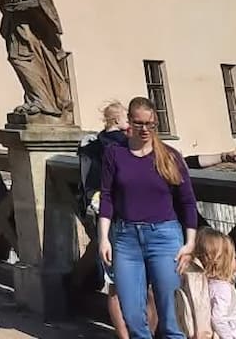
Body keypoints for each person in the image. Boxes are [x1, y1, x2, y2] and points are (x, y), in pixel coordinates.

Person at [100, 96, 198, 339]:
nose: (145, 129)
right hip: (126, 239)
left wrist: (190, 244)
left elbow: (187, 201)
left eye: (150, 124)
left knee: (172, 315)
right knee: (133, 315)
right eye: (139, 123)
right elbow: (107, 197)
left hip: (165, 237)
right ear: (129, 122)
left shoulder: (170, 156)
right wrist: (103, 238)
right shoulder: (115, 154)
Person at [79, 101, 143, 338]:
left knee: (115, 283)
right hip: (131, 216)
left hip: (105, 217)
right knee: (145, 283)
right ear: (118, 121)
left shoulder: (91, 145)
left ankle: (124, 335)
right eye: (128, 118)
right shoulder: (125, 144)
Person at [197, 228, 236, 339]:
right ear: (225, 261)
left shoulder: (206, 283)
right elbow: (218, 319)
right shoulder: (223, 289)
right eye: (234, 257)